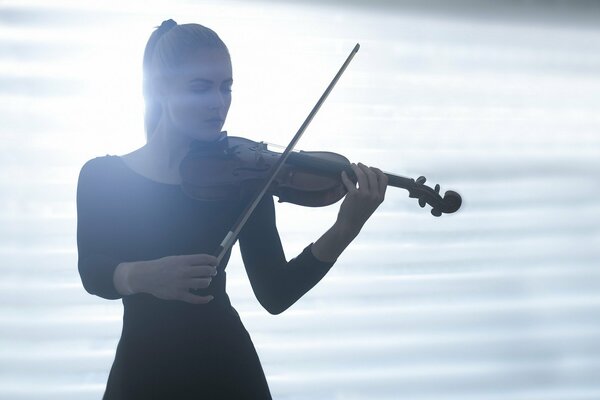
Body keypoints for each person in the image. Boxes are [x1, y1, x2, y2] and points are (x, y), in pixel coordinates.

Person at [76, 19, 388, 399]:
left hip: (227, 370)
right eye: (200, 87)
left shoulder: (245, 179)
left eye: (226, 87)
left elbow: (275, 293)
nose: (218, 103)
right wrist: (142, 276)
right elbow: (93, 270)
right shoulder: (103, 176)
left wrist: (344, 230)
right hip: (143, 373)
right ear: (159, 88)